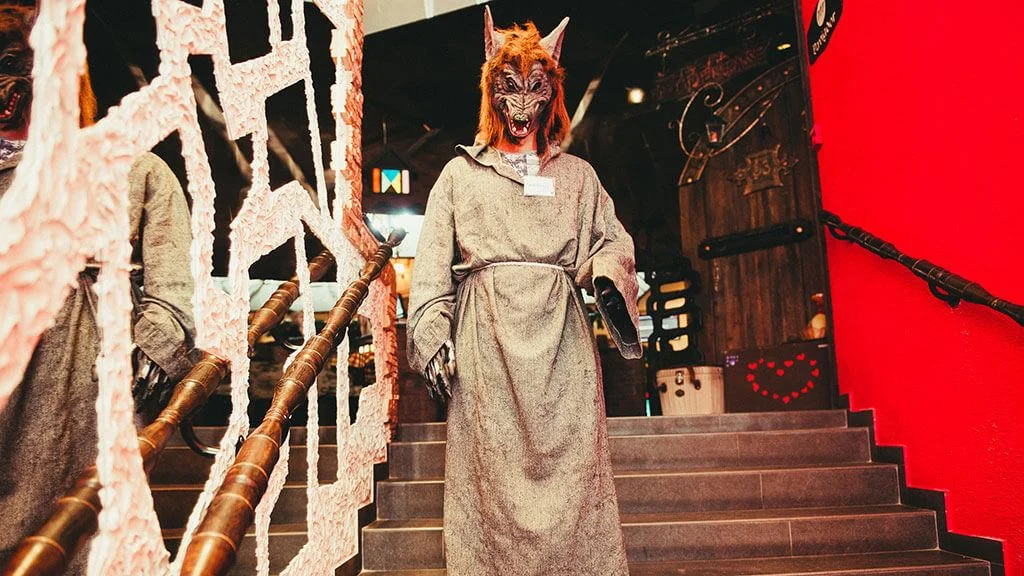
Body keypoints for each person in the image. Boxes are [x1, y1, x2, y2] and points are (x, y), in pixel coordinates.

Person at [407, 7, 641, 575]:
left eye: (535, 88)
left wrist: (606, 275)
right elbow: (431, 270)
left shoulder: (578, 177)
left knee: (575, 477)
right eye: (509, 87)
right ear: (492, 92)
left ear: (551, 94)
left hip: (564, 351)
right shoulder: (459, 176)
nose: (521, 103)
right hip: (486, 350)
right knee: (488, 481)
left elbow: (613, 241)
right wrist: (433, 335)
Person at [0, 4, 196, 572]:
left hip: (83, 405)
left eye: (15, 61)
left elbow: (175, 292)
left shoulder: (134, 173)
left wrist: (152, 349)